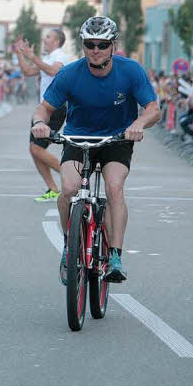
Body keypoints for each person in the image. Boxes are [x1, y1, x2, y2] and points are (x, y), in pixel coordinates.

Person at [30, 16, 160, 284]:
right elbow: (44, 107)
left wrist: (138, 124)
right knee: (68, 189)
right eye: (90, 44)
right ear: (83, 46)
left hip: (117, 140)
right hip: (78, 139)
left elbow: (153, 109)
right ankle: (70, 246)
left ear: (113, 46)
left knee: (113, 188)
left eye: (102, 44)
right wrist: (40, 123)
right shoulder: (69, 73)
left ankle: (114, 256)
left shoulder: (131, 70)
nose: (96, 49)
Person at [14, 29, 70, 202]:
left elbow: (54, 71)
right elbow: (28, 72)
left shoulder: (61, 56)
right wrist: (20, 53)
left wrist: (33, 57)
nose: (44, 40)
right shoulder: (46, 58)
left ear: (57, 41)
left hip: (56, 107)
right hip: (43, 108)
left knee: (36, 148)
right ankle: (53, 188)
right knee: (34, 149)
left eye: (48, 37)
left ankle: (69, 173)